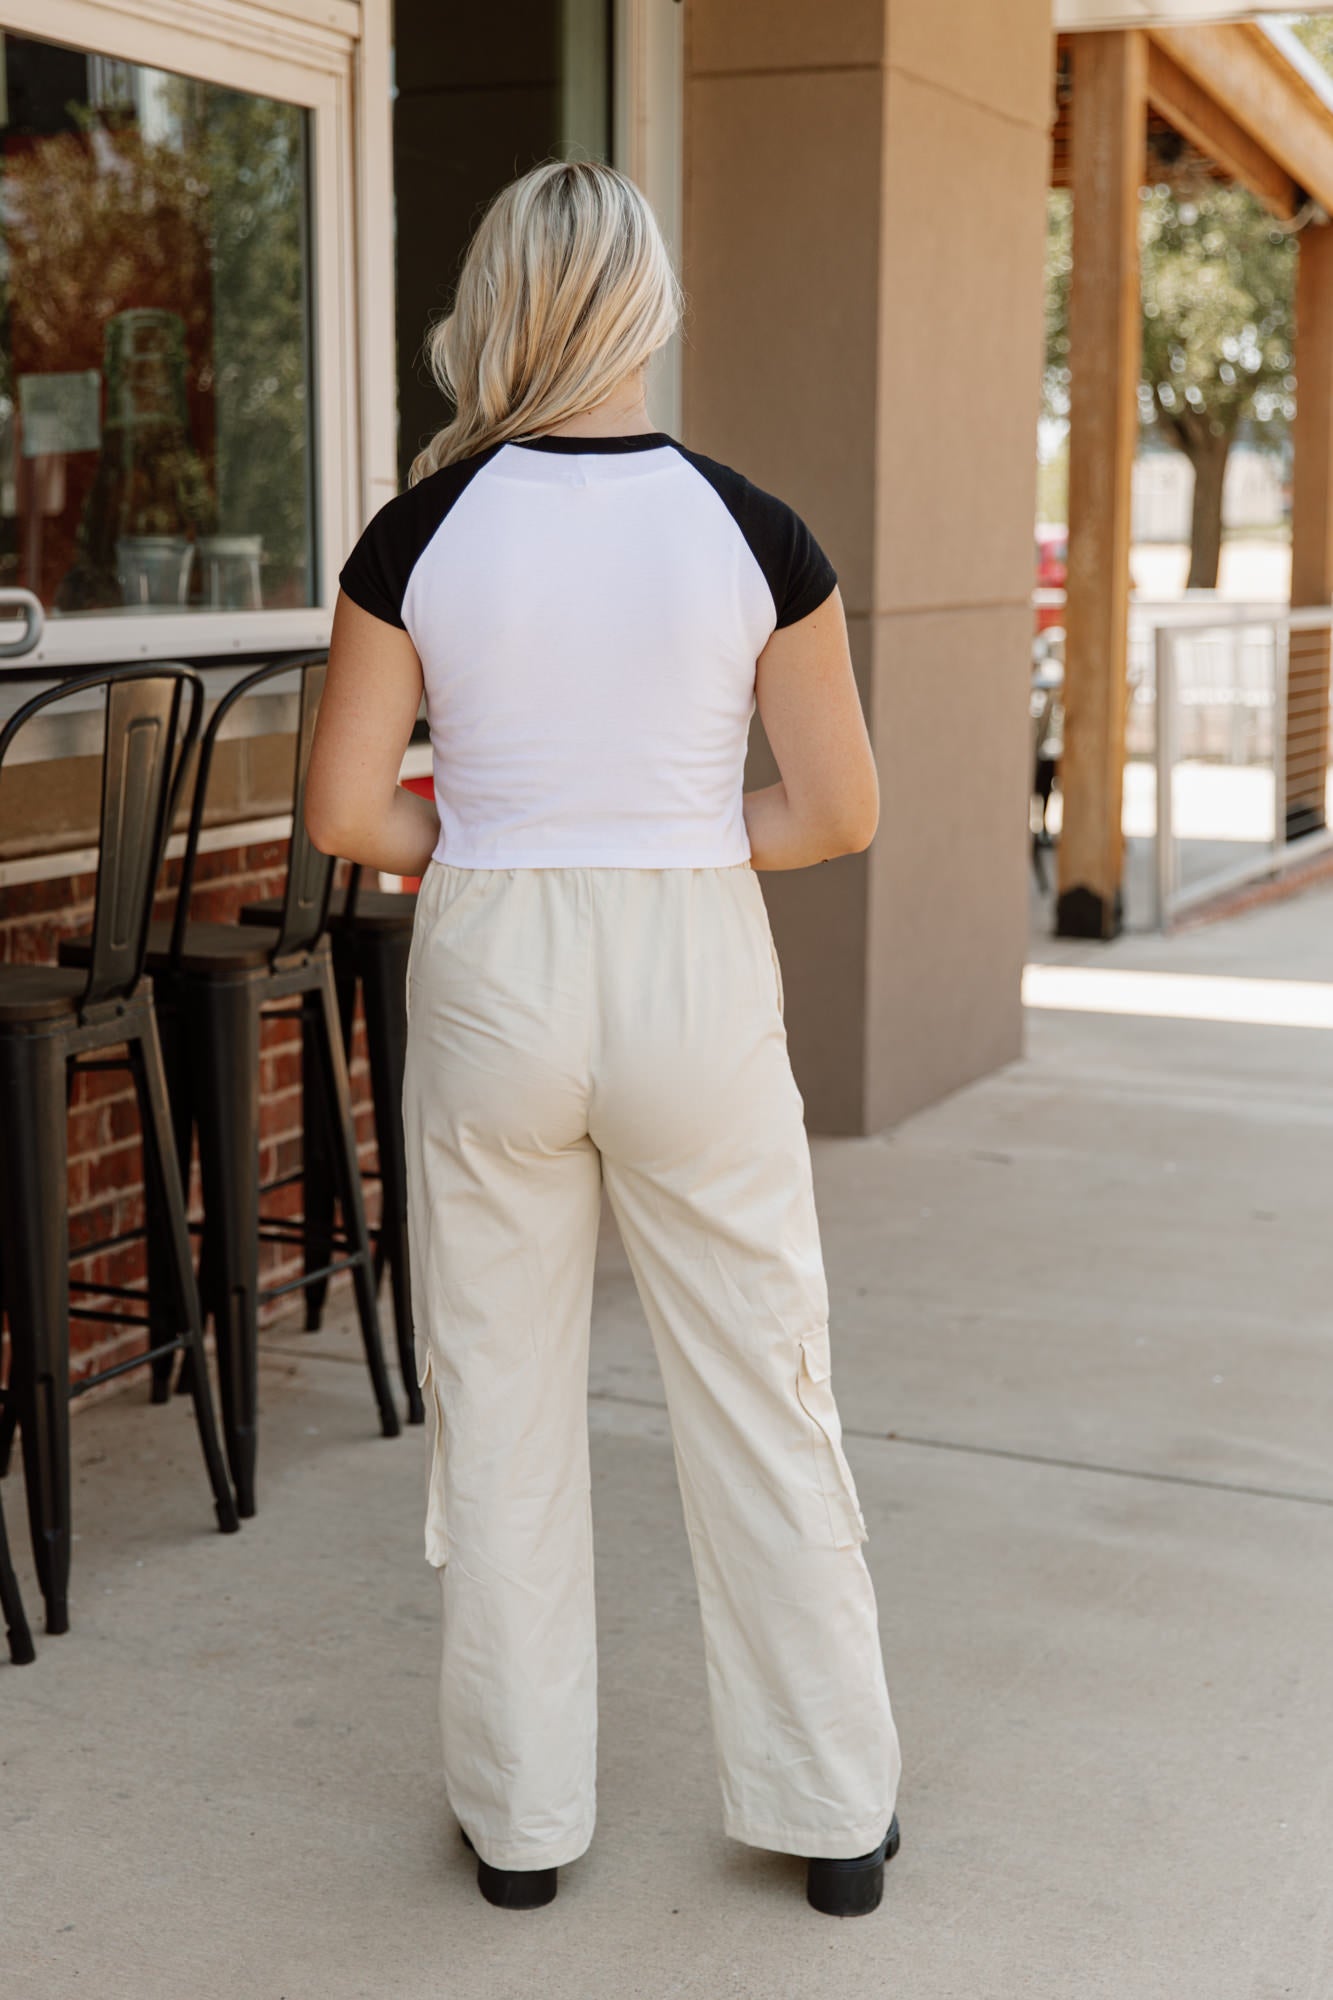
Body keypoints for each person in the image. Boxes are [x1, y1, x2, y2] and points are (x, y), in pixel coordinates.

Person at [305, 160, 902, 1919]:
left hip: (494, 956)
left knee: (497, 1400)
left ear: (493, 305)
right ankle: (831, 1815)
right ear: (649, 304)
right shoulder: (752, 529)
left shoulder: (418, 534)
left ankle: (520, 1828)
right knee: (763, 1383)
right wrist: (676, 839)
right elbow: (838, 811)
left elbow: (345, 812)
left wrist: (497, 843)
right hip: (690, 963)